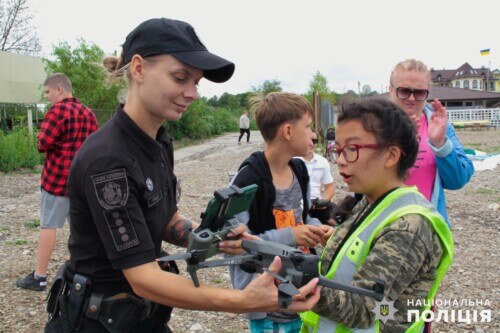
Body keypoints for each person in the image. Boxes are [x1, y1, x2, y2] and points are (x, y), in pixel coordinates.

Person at [43, 18, 320, 333]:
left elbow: (161, 217)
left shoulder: (158, 141)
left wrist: (213, 239)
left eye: (197, 82)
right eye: (180, 78)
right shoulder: (107, 160)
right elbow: (144, 278)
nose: (193, 93)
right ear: (138, 69)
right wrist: (243, 299)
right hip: (99, 321)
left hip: (144, 318)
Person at [300, 98, 454, 333]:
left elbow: (365, 309)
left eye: (352, 149)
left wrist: (291, 280)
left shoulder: (408, 226)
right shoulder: (372, 201)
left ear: (391, 156)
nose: (340, 160)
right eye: (338, 150)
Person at [225, 92, 334, 333]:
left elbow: (302, 217)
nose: (314, 135)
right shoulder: (248, 180)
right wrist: (292, 236)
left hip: (300, 290)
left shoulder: (299, 170)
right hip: (269, 305)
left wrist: (317, 227)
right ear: (287, 132)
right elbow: (237, 245)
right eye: (308, 127)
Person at [16, 73, 98, 292]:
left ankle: (39, 277)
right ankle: (87, 275)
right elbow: (95, 147)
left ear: (59, 89)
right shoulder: (88, 113)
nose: (48, 96)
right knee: (82, 231)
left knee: (49, 226)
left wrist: (40, 137)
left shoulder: (57, 111)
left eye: (48, 92)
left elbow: (43, 144)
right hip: (80, 184)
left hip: (56, 181)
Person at [389, 59, 474, 226]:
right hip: (383, 228)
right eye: (404, 91)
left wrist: (441, 144)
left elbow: (458, 180)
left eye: (419, 92)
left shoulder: (439, 126)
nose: (411, 98)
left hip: (428, 232)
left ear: (427, 93)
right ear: (391, 90)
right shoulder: (373, 126)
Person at [296, 132, 336, 226]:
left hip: (317, 203)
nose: (311, 143)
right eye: (308, 140)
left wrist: (324, 201)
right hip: (299, 206)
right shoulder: (293, 161)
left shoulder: (322, 161)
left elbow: (330, 187)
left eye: (314, 141)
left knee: (339, 216)